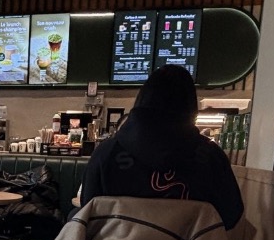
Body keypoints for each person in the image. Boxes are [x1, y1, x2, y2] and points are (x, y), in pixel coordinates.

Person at [79, 65, 243, 230]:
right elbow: (230, 217)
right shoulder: (211, 158)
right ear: (191, 107)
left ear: (140, 101)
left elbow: (88, 213)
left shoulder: (106, 154)